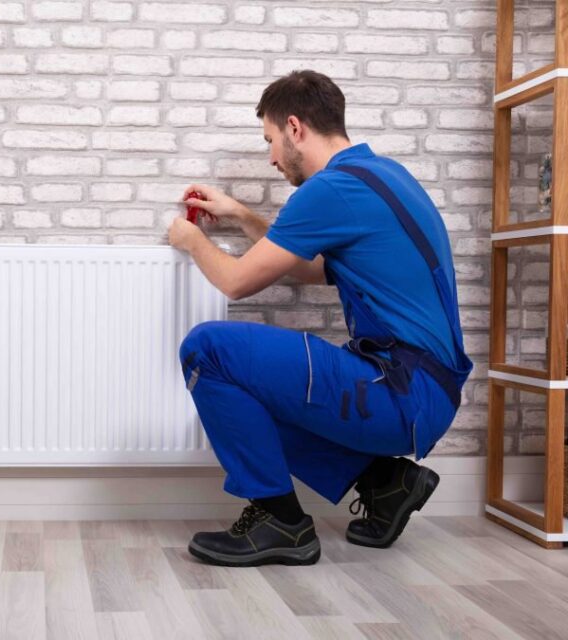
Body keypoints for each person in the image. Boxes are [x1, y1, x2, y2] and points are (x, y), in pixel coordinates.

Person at [168, 70, 472, 567]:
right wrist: (242, 216)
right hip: (424, 391)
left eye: (269, 140)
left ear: (295, 127)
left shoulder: (331, 190)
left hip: (402, 391)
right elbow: (315, 269)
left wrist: (192, 241)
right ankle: (384, 483)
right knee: (257, 385)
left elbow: (237, 282)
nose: (271, 157)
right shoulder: (381, 176)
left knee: (207, 350)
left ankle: (280, 521)